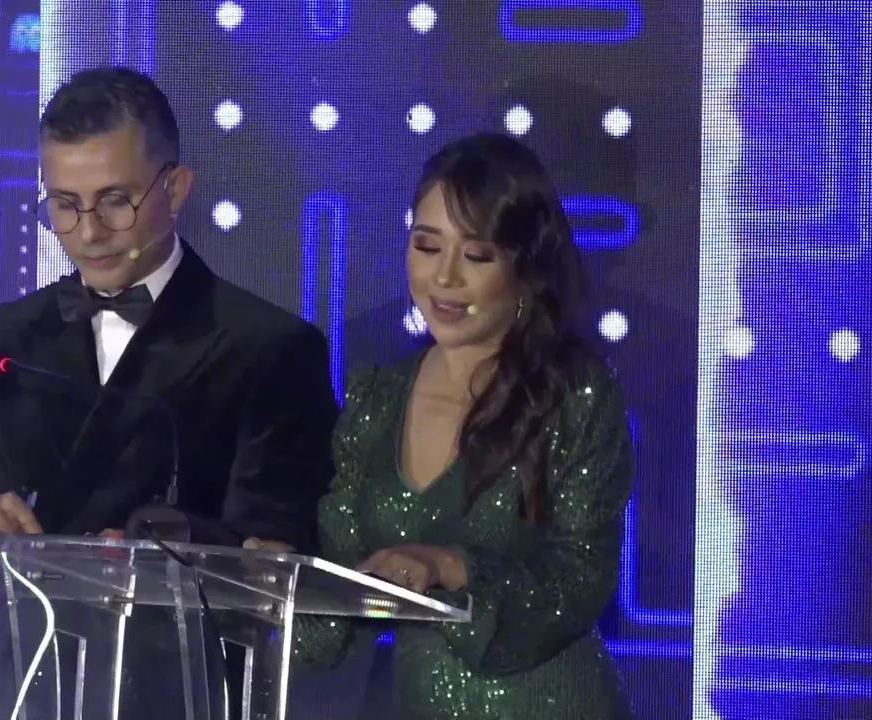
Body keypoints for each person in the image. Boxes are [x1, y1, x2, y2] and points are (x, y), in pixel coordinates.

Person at [0, 66, 339, 717]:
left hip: (191, 696)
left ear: (176, 188)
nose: (88, 232)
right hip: (31, 695)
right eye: (64, 204)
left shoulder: (269, 346)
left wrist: (155, 543)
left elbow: (278, 548)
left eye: (115, 201)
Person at [247, 133, 636, 719]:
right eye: (427, 246)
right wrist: (287, 581)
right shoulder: (377, 400)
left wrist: (450, 566)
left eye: (476, 256)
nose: (444, 278)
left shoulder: (574, 396)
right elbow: (338, 619)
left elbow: (581, 581)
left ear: (525, 269)